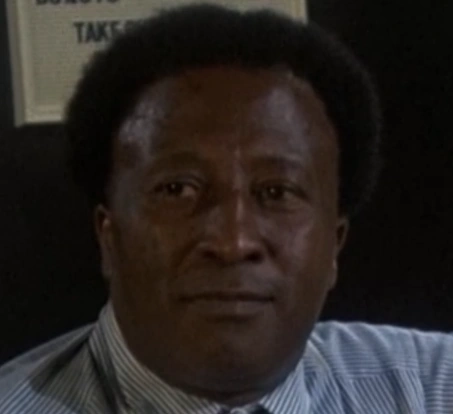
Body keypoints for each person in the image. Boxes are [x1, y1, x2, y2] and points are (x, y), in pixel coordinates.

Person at [1, 4, 452, 413]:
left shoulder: (432, 388)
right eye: (177, 189)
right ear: (108, 235)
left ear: (334, 244)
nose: (233, 242)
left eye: (277, 192)